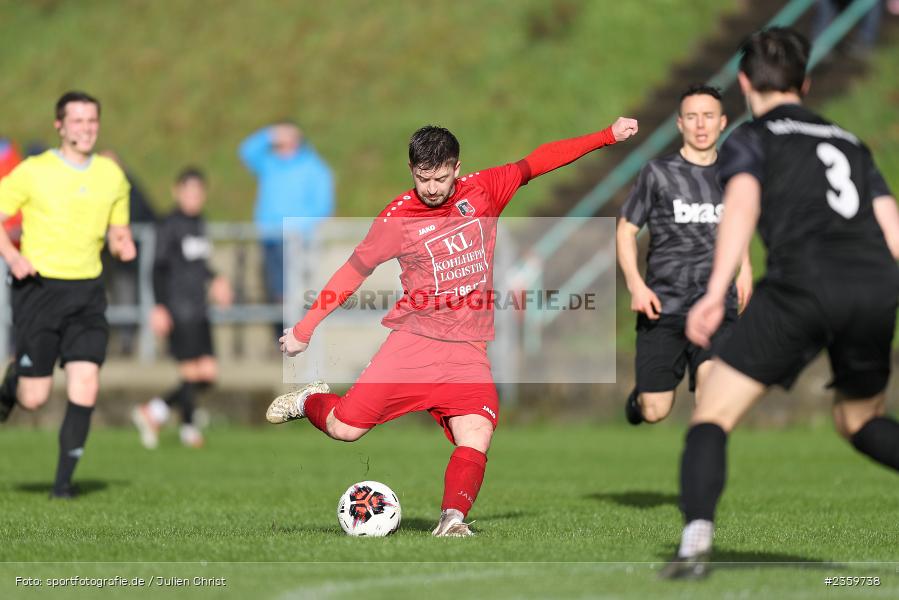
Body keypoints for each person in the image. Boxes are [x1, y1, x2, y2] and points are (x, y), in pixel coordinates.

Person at [267, 118, 639, 536]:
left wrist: (606, 136)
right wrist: (306, 327)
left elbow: (537, 162)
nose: (431, 188)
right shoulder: (397, 219)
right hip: (414, 344)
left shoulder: (483, 191)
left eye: (440, 178)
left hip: (466, 351)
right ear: (412, 171)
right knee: (344, 428)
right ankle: (310, 401)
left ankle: (451, 521)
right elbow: (353, 272)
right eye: (423, 178)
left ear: (457, 168)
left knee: (477, 431)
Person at [661, 27, 899, 579]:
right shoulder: (848, 141)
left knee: (713, 410)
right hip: (873, 286)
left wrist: (715, 294)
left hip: (804, 284)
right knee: (860, 420)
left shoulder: (752, 136)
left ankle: (696, 544)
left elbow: (741, 207)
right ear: (806, 82)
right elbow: (891, 230)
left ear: (745, 82)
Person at [0, 91, 136, 498]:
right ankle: (12, 385)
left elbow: (118, 230)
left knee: (86, 381)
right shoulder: (33, 171)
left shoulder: (112, 176)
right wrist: (12, 256)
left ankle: (62, 486)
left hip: (87, 292)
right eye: (77, 121)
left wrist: (122, 245)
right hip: (38, 288)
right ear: (60, 125)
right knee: (34, 396)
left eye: (92, 120)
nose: (86, 128)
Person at [617, 85, 752, 426]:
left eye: (708, 116)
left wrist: (746, 267)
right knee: (655, 410)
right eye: (692, 117)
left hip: (715, 307)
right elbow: (626, 230)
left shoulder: (736, 173)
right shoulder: (657, 173)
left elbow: (739, 223)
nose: (701, 125)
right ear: (680, 124)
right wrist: (636, 285)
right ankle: (639, 401)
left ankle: (698, 475)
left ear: (722, 122)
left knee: (711, 400)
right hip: (663, 307)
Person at [131, 167, 232, 449]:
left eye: (198, 192)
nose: (193, 197)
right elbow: (156, 269)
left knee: (208, 375)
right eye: (188, 191)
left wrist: (216, 279)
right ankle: (188, 429)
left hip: (199, 307)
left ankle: (154, 411)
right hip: (178, 307)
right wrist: (160, 307)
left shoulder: (200, 222)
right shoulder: (169, 224)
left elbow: (198, 265)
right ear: (177, 192)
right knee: (189, 373)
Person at [239, 121, 334, 335]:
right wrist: (269, 135)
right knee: (277, 293)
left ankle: (298, 336)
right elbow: (246, 151)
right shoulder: (269, 162)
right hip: (270, 238)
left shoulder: (314, 167)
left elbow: (322, 206)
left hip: (298, 240)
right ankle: (282, 339)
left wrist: (294, 227)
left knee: (294, 293)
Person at [99, 149, 157, 356]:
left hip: (129, 259)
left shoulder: (130, 191)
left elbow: (146, 219)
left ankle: (125, 342)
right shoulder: (89, 189)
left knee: (126, 293)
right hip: (100, 258)